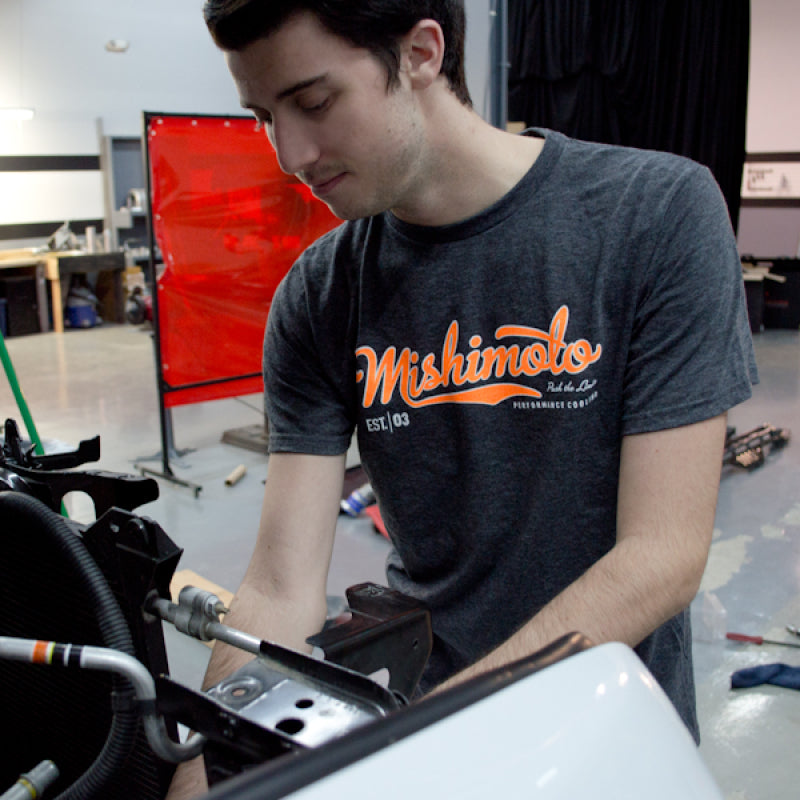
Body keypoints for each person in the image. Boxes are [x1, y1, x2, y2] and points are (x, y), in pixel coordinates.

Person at [168, 1, 758, 796]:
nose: (290, 154)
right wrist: (208, 763)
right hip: (430, 717)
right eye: (264, 116)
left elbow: (660, 557)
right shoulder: (320, 295)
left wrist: (429, 739)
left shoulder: (654, 215)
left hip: (605, 732)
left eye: (313, 102)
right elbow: (279, 586)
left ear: (420, 53)